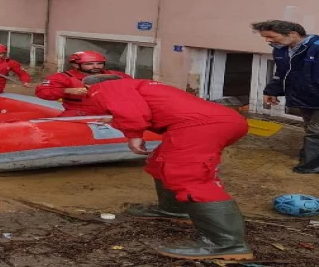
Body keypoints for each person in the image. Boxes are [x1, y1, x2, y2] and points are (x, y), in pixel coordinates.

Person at [82, 74, 252, 261]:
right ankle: (173, 210)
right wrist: (116, 121)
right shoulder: (139, 85)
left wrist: (134, 136)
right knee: (160, 163)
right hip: (217, 121)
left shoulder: (106, 87)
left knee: (189, 177)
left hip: (199, 125)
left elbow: (131, 111)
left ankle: (226, 243)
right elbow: (154, 111)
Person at [251, 20, 319, 174]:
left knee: (315, 131)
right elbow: (281, 73)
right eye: (265, 38)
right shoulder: (281, 50)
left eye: (270, 36)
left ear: (292, 34)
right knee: (310, 129)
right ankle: (310, 158)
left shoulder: (316, 47)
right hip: (306, 98)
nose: (268, 41)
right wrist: (271, 91)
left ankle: (311, 165)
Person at [35, 51, 131, 115]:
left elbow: (138, 88)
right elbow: (42, 92)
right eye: (89, 64)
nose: (96, 66)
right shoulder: (63, 77)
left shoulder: (117, 75)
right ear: (75, 65)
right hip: (78, 113)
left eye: (99, 63)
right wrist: (66, 90)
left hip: (112, 112)